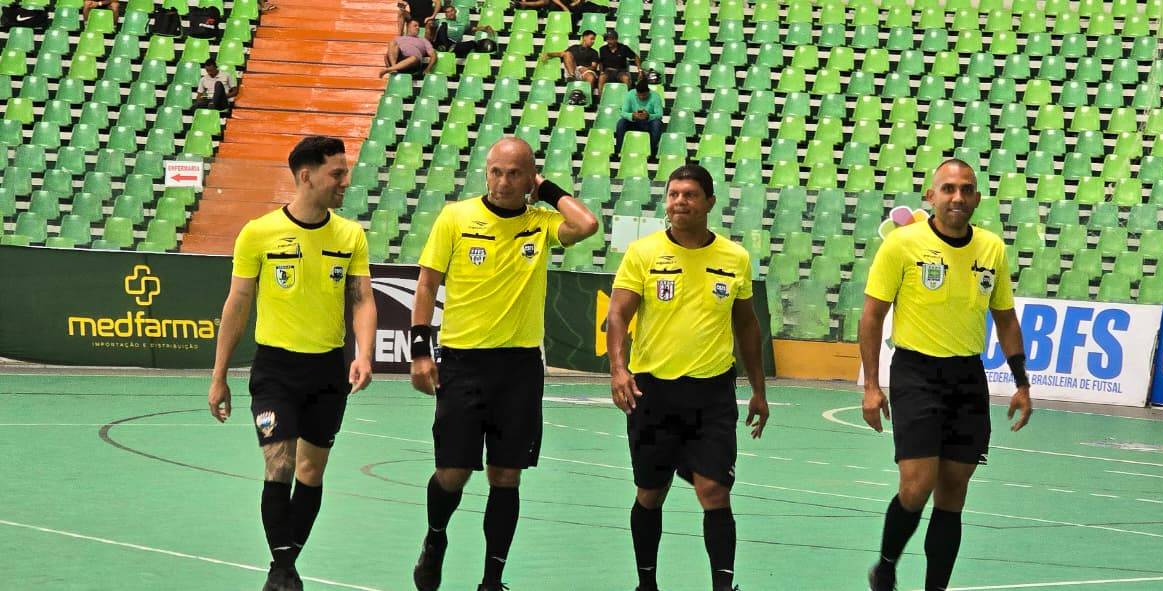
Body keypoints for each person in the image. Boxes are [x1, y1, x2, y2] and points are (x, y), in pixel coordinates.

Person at [408, 137, 600, 591]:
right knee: (453, 473)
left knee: (505, 476)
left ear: (529, 177)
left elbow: (588, 224)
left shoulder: (540, 222)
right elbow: (426, 283)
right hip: (462, 362)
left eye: (515, 173)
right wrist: (420, 351)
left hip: (519, 368)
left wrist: (548, 191)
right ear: (485, 172)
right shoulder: (456, 217)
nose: (503, 181)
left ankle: (492, 579)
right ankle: (435, 539)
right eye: (496, 171)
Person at [208, 136, 377, 591]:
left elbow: (362, 300)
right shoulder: (258, 233)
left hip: (327, 369)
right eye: (336, 173)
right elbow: (237, 304)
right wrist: (219, 375)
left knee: (310, 471)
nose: (345, 181)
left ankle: (283, 565)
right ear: (307, 176)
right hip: (275, 370)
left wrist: (363, 353)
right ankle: (284, 569)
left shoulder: (350, 235)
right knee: (279, 462)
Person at [859, 158, 1033, 591]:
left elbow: (1006, 318)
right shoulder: (901, 245)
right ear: (931, 196)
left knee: (953, 492)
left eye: (966, 189)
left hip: (967, 377)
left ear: (976, 198)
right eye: (949, 188)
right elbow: (871, 316)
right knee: (917, 486)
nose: (958, 196)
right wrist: (871, 386)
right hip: (916, 372)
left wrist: (1021, 383)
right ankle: (886, 566)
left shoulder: (991, 247)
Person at [607, 164, 769, 591]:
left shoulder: (734, 257)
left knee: (714, 490)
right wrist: (618, 369)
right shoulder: (643, 253)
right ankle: (647, 583)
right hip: (652, 391)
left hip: (712, 393)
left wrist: (758, 389)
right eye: (674, 194)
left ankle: (723, 585)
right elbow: (618, 314)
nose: (679, 202)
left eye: (689, 195)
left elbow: (747, 325)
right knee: (650, 493)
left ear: (709, 203)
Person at [615, 80, 664, 157]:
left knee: (657, 123)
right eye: (639, 95)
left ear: (648, 92)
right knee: (621, 122)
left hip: (648, 123)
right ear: (636, 93)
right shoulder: (630, 94)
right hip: (633, 122)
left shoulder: (655, 96)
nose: (641, 97)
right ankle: (620, 150)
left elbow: (660, 114)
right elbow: (623, 113)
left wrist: (648, 116)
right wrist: (633, 115)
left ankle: (651, 151)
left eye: (644, 95)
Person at [426, 3, 495, 58]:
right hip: (439, 42)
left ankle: (446, 48)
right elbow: (429, 24)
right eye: (447, 12)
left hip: (453, 46)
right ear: (445, 14)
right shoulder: (441, 21)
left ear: (455, 11)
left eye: (451, 11)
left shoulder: (462, 25)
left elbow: (474, 29)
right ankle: (445, 46)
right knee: (444, 25)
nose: (450, 13)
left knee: (472, 43)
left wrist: (485, 28)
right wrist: (428, 31)